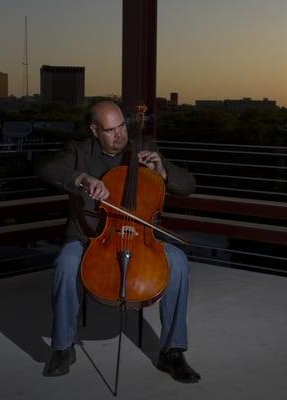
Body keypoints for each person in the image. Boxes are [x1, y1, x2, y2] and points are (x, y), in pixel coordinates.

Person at [39, 100, 201, 383]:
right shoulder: (78, 152)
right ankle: (63, 347)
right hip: (91, 238)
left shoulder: (144, 150)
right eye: (111, 130)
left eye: (122, 127)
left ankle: (173, 350)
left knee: (177, 260)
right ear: (94, 130)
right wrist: (82, 179)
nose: (120, 136)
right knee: (66, 262)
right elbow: (46, 169)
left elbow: (188, 185)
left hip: (141, 238)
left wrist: (162, 171)